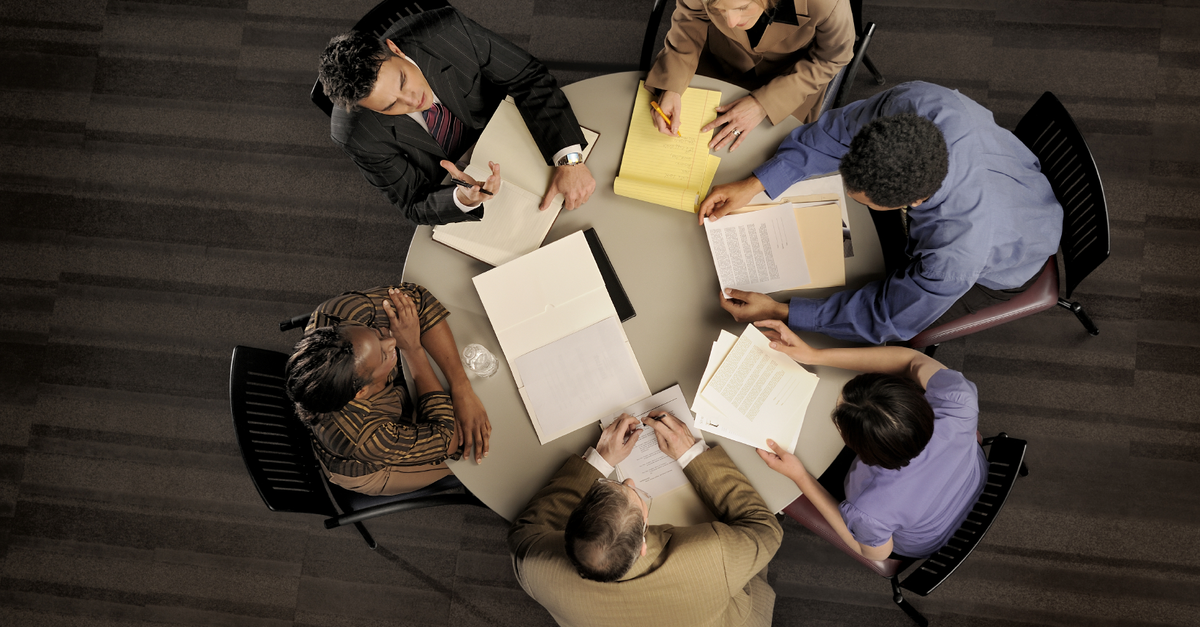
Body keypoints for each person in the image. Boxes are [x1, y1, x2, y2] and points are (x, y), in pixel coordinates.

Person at [701, 81, 1064, 344]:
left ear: (913, 205)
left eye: (864, 202)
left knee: (900, 338)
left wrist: (783, 311)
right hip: (1012, 182)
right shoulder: (919, 103)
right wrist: (755, 184)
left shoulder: (954, 258)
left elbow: (888, 316)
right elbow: (835, 134)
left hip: (1010, 260)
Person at [318, 7, 596, 226]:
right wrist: (461, 198)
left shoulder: (449, 32)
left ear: (395, 49)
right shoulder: (355, 135)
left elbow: (529, 77)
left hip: (518, 130)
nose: (413, 101)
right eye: (390, 106)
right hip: (464, 183)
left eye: (403, 81)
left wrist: (569, 160)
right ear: (370, 109)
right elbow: (412, 202)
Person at [509, 412, 782, 627]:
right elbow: (765, 528)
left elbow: (526, 531)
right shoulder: (713, 555)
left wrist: (600, 462)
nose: (628, 480)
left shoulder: (536, 570)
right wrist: (690, 453)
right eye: (636, 495)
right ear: (642, 545)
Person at [753, 319, 986, 558]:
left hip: (925, 538)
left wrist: (800, 477)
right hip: (971, 476)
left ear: (857, 448)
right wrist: (813, 355)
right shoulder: (958, 400)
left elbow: (874, 553)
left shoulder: (869, 508)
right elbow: (912, 360)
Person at [284, 283, 490, 496]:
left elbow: (419, 301)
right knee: (479, 456)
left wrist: (461, 387)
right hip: (373, 466)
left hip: (388, 406)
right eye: (383, 354)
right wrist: (412, 349)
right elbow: (447, 439)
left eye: (375, 332)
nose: (392, 340)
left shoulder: (339, 314)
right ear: (361, 392)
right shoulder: (366, 439)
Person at [645, 0, 853, 151]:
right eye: (719, 8)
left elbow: (832, 58)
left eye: (743, 7)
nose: (731, 22)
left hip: (789, 81)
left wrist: (765, 103)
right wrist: (672, 86)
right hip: (719, 62)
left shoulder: (827, 3)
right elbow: (690, 21)